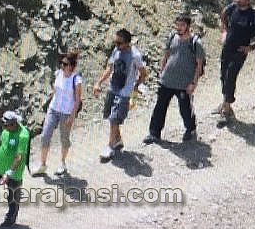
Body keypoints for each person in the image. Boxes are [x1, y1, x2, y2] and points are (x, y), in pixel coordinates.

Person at [143, 15, 204, 145]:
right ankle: (154, 133)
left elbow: (199, 65)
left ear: (188, 26)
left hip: (184, 84)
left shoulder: (195, 43)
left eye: (182, 25)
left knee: (185, 109)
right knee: (160, 107)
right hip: (167, 81)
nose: (178, 28)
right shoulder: (172, 37)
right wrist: (162, 71)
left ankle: (190, 129)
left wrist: (193, 83)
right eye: (177, 25)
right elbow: (166, 55)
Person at [213, 0, 255, 124]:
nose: (239, 0)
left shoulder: (254, 16)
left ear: (248, 0)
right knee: (223, 75)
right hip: (227, 48)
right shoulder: (233, 7)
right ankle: (225, 102)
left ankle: (226, 110)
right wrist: (224, 30)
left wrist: (252, 47)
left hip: (239, 52)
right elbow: (223, 13)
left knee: (230, 77)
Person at [93, 29, 147, 161]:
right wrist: (99, 82)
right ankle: (117, 140)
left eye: (119, 43)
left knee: (114, 118)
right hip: (112, 88)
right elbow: (109, 68)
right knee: (110, 116)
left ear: (127, 43)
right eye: (115, 42)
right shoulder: (116, 50)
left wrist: (136, 86)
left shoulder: (135, 55)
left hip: (124, 92)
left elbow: (143, 73)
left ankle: (110, 147)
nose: (117, 45)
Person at [36, 51, 82, 175]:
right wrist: (50, 96)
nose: (62, 65)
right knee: (45, 135)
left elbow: (77, 100)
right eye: (61, 63)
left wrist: (72, 117)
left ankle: (62, 162)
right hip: (53, 109)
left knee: (64, 139)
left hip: (66, 113)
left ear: (71, 65)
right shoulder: (58, 73)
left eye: (65, 64)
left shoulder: (76, 80)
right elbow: (55, 89)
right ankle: (42, 164)